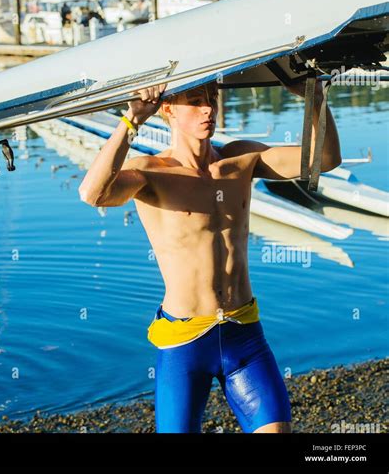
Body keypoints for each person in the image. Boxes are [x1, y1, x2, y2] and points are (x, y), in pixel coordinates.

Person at [78, 79, 342, 433]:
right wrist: (132, 121)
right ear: (168, 109)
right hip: (184, 341)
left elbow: (324, 158)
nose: (208, 110)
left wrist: (315, 96)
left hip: (244, 332)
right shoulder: (151, 173)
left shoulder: (242, 160)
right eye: (196, 102)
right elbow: (92, 194)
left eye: (212, 100)